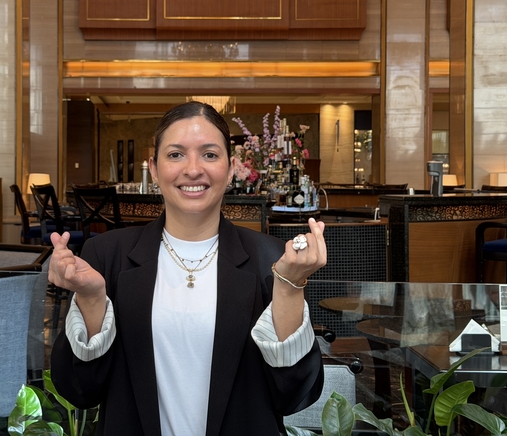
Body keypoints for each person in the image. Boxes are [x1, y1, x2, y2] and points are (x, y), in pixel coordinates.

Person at [48, 101, 327, 436]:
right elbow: (80, 391)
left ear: (231, 168)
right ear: (154, 168)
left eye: (209, 154)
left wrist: (290, 287)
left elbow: (294, 396)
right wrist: (92, 299)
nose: (193, 170)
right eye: (176, 154)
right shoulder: (108, 255)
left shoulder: (270, 259)